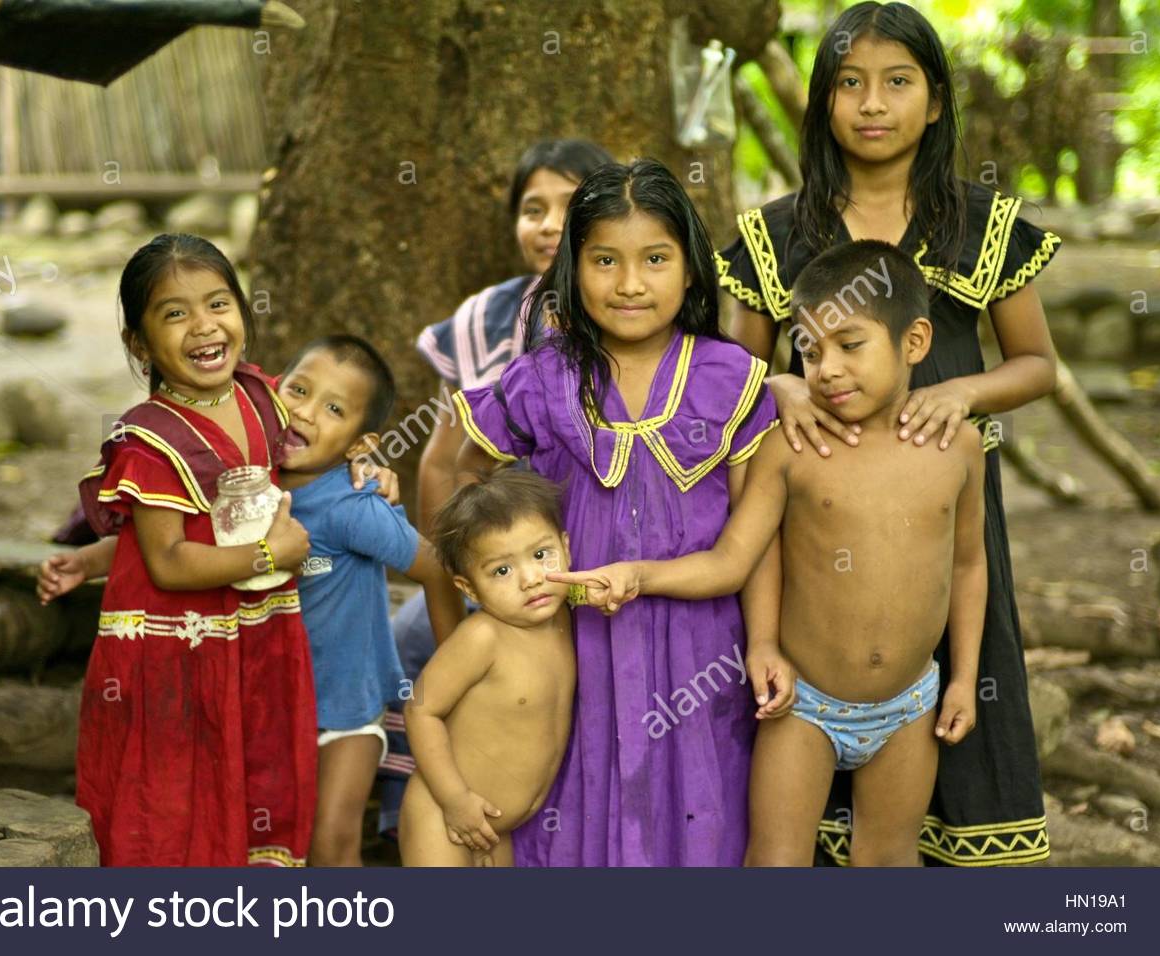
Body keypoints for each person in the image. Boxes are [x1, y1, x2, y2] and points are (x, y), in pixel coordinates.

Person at [716, 0, 1059, 866]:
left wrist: (969, 391)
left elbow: (1038, 364)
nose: (873, 103)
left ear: (935, 101)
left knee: (949, 682)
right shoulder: (779, 233)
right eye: (850, 84)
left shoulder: (981, 224)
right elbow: (728, 375)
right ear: (824, 102)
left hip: (943, 508)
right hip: (815, 512)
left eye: (897, 82)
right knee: (804, 698)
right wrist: (779, 387)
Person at [557, 240, 985, 866]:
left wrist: (967, 680)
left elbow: (970, 566)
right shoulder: (790, 448)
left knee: (890, 858)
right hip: (802, 703)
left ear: (914, 342)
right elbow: (736, 558)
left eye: (850, 344)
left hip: (910, 702)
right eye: (808, 351)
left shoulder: (957, 447)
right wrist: (642, 577)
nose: (827, 369)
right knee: (777, 860)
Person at [454, 159, 780, 866]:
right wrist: (495, 575)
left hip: (703, 653)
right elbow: (465, 474)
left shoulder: (732, 380)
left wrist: (763, 644)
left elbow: (755, 544)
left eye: (655, 259)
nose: (630, 284)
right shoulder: (541, 380)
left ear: (691, 269)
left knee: (700, 805)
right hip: (572, 645)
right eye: (605, 260)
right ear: (573, 267)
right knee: (577, 795)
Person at [382, 138, 613, 837]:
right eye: (531, 208)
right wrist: (450, 576)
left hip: (574, 559)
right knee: (411, 644)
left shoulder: (624, 310)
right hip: (497, 561)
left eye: (568, 206)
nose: (547, 224)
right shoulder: (487, 318)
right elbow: (442, 459)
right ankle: (405, 812)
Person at [67, 233, 317, 866]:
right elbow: (169, 562)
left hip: (254, 635)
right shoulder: (149, 441)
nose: (204, 326)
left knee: (253, 770)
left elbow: (317, 452)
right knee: (176, 799)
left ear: (242, 310)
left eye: (218, 303)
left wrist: (371, 464)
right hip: (173, 651)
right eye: (174, 313)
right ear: (139, 343)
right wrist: (271, 557)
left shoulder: (260, 396)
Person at [273, 334, 465, 866]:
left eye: (334, 409)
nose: (306, 413)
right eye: (298, 390)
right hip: (267, 705)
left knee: (332, 845)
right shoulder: (248, 487)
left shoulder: (353, 505)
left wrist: (456, 673)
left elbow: (438, 570)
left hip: (346, 710)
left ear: (362, 445)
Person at [399, 470, 576, 867]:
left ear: (566, 547)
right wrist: (455, 800)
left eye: (541, 554)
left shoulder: (568, 620)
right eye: (502, 570)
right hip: (445, 816)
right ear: (469, 589)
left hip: (496, 830)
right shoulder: (483, 637)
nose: (531, 579)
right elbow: (421, 709)